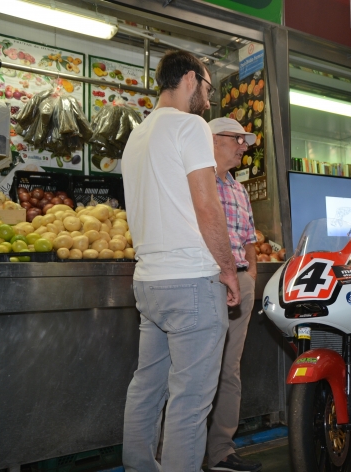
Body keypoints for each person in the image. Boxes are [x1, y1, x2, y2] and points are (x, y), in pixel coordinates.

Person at [121, 50, 240, 472]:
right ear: (190, 79)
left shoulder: (137, 135)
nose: (208, 101)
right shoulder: (190, 126)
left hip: (148, 282)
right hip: (190, 281)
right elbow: (207, 206)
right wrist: (228, 270)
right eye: (208, 89)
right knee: (190, 402)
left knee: (147, 387)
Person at [205, 118, 262, 472]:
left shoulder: (238, 188)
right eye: (237, 139)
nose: (244, 146)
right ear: (212, 140)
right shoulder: (198, 181)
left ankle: (221, 452)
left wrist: (251, 274)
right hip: (208, 284)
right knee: (195, 372)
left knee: (230, 370)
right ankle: (178, 454)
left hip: (241, 284)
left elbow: (249, 240)